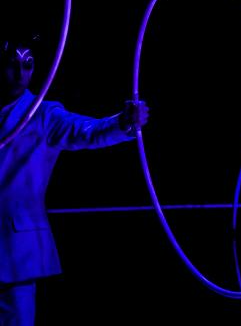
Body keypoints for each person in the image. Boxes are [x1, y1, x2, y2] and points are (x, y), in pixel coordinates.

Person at [0, 32, 149, 325]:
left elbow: (86, 131)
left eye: (27, 64)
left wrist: (122, 122)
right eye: (12, 64)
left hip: (15, 251)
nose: (20, 72)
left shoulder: (42, 114)